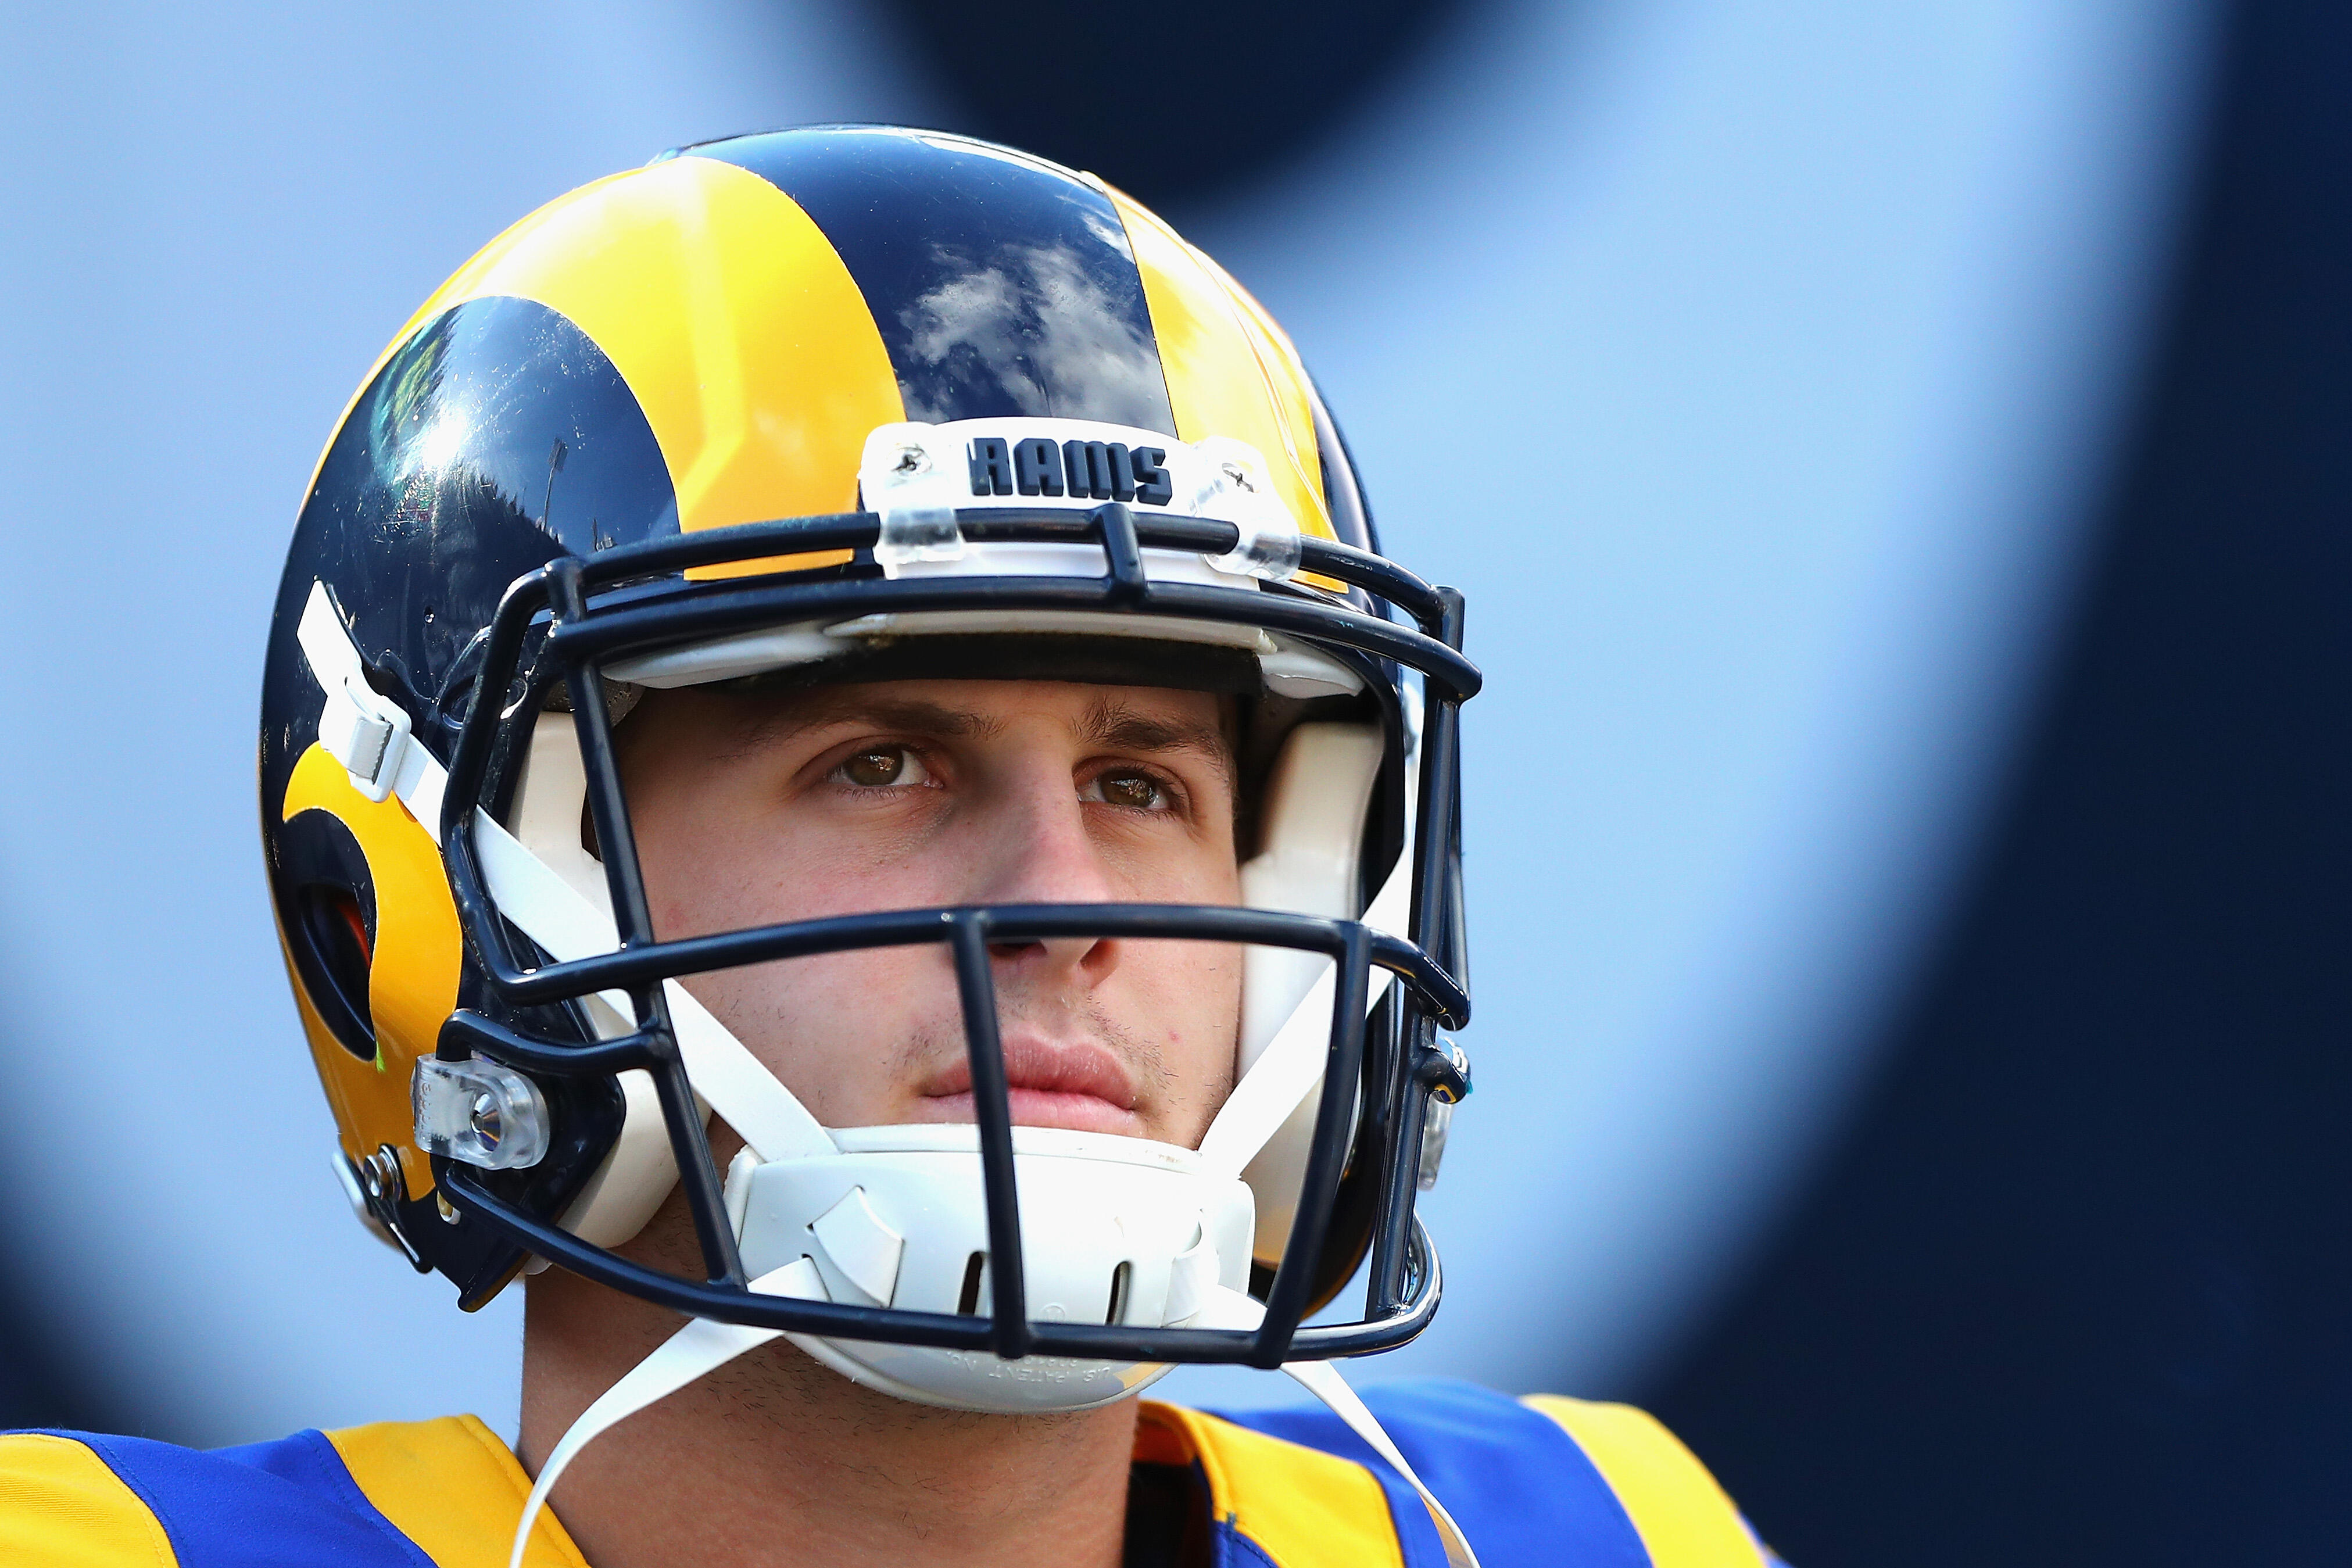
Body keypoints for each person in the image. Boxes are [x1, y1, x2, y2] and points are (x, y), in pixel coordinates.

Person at [0, 126, 1784, 1567]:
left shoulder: (1594, 1535)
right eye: (883, 761)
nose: (1066, 903)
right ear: (430, 912)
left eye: (1145, 783)